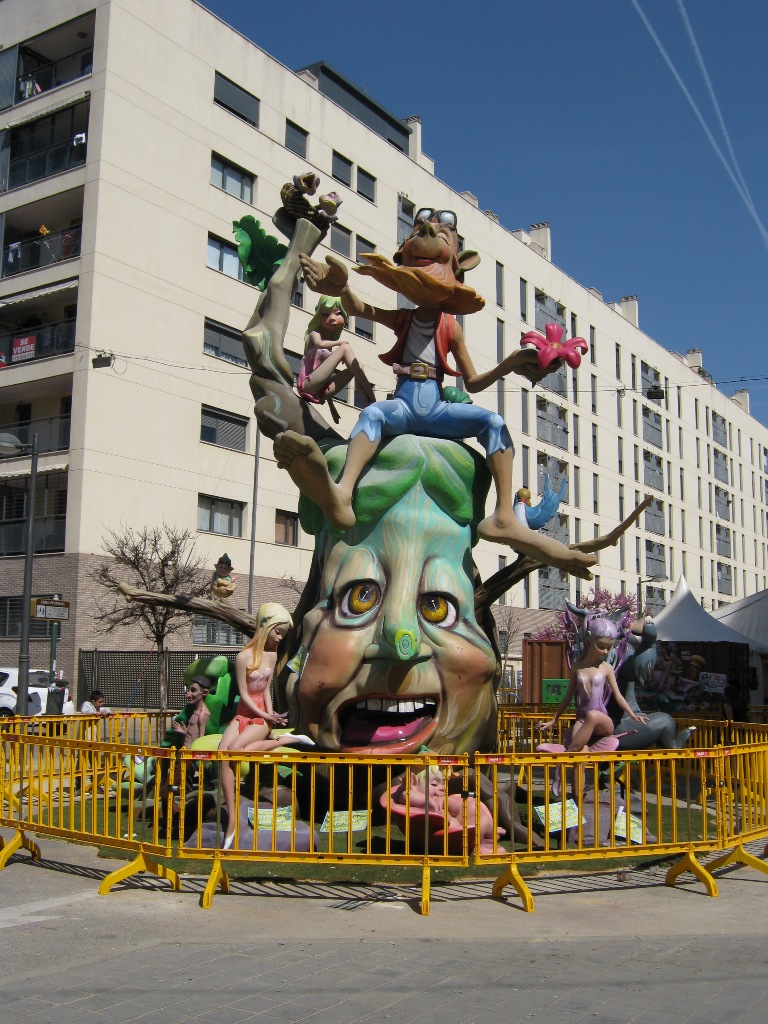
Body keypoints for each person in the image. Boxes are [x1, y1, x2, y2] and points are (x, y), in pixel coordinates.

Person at [279, 209, 595, 578]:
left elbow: (473, 382)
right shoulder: (405, 318)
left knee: (493, 423)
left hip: (437, 409)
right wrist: (342, 288)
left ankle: (504, 517)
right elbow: (361, 309)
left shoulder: (451, 327)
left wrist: (510, 362)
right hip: (404, 405)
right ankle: (344, 494)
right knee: (373, 414)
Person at [218, 602, 295, 849]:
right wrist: (265, 714)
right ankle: (232, 818)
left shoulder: (272, 656)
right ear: (265, 626)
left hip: (260, 720)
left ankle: (281, 739)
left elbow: (266, 691)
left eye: (282, 633)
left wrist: (269, 717)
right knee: (222, 754)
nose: (279, 637)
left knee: (235, 751)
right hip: (244, 716)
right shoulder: (243, 657)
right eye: (278, 631)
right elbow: (244, 693)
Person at [538, 615, 648, 752]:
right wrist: (554, 719)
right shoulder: (577, 667)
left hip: (602, 720)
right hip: (582, 720)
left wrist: (632, 714)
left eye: (608, 648)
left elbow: (618, 695)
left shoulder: (606, 668)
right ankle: (575, 761)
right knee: (579, 748)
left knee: (593, 715)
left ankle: (566, 758)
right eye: (601, 646)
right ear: (589, 638)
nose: (605, 652)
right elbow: (568, 696)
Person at [296, 296, 375, 408]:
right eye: (325, 314)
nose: (332, 318)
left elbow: (325, 376)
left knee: (359, 366)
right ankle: (372, 397)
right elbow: (319, 344)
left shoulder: (330, 343)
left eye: (337, 313)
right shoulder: (314, 334)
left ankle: (368, 406)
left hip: (320, 391)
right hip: (308, 384)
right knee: (345, 348)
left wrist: (332, 409)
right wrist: (339, 343)